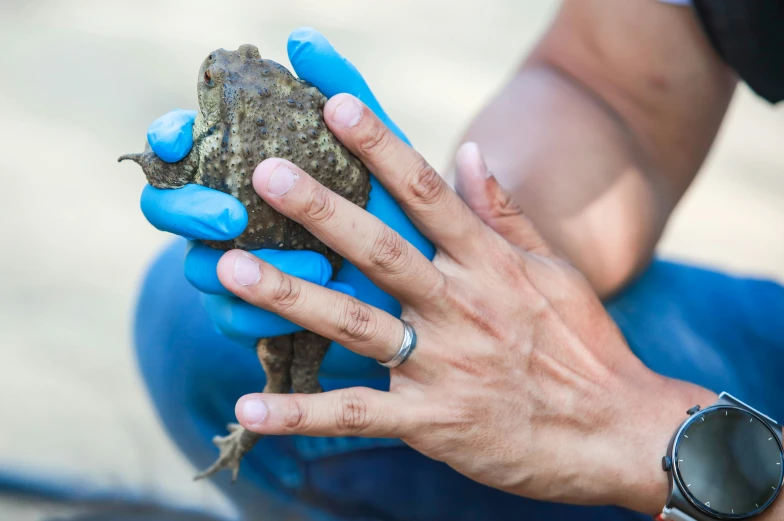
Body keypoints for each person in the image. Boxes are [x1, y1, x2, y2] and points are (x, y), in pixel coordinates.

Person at [133, 1, 784, 520]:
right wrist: (466, 259)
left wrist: (640, 431)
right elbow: (614, 91)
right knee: (202, 332)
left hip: (728, 465)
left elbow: (636, 432)